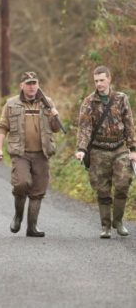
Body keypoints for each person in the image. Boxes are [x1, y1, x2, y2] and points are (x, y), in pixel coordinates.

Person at [0, 71, 60, 237]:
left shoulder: (48, 103)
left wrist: (55, 116)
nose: (32, 87)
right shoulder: (11, 104)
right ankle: (18, 216)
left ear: (38, 85)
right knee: (21, 184)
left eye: (34, 83)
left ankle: (32, 227)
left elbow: (55, 128)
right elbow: (2, 127)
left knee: (38, 191)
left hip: (42, 153)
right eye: (28, 83)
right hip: (20, 153)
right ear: (21, 86)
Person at [75, 65, 136, 238]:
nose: (99, 84)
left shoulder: (121, 98)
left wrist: (133, 148)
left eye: (102, 80)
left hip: (119, 148)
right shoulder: (89, 102)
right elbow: (85, 128)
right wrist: (81, 149)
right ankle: (105, 226)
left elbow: (129, 124)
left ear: (109, 79)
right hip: (98, 150)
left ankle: (118, 221)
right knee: (102, 190)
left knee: (123, 184)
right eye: (96, 81)